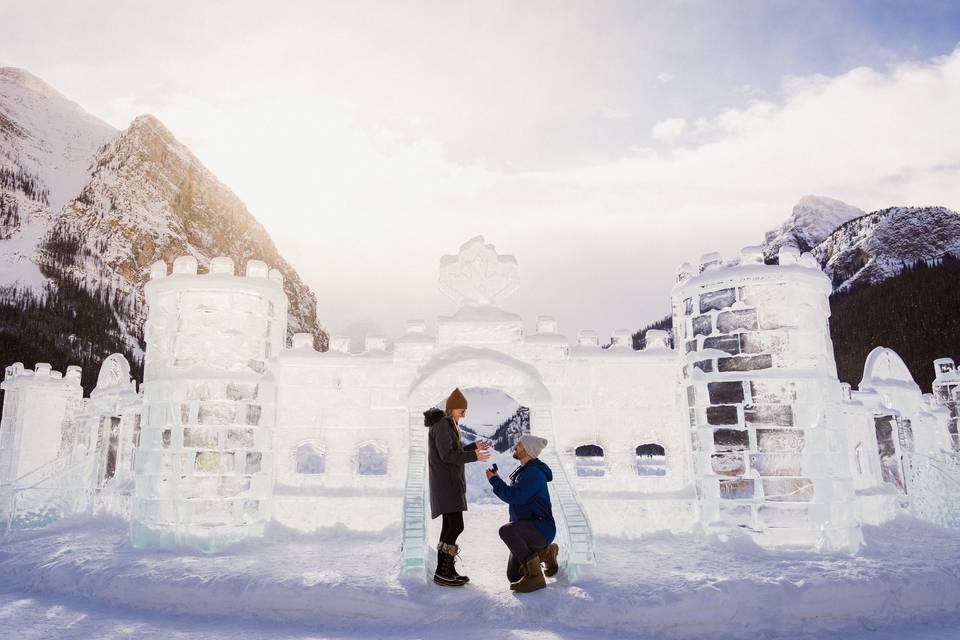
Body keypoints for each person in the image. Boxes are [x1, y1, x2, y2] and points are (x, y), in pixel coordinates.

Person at [424, 387, 490, 587]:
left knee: (450, 526)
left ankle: (446, 571)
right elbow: (447, 456)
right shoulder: (443, 425)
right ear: (452, 408)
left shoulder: (446, 425)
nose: (464, 414)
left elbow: (453, 450)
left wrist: (472, 448)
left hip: (447, 483)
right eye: (462, 410)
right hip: (447, 484)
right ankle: (443, 571)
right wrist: (474, 456)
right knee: (455, 525)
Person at [485, 434, 559, 593]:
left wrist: (494, 481)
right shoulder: (526, 470)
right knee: (514, 576)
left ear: (527, 450)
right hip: (529, 529)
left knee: (506, 530)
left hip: (540, 529)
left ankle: (535, 578)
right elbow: (516, 493)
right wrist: (497, 478)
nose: (515, 446)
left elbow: (514, 496)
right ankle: (546, 553)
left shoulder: (533, 473)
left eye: (518, 444)